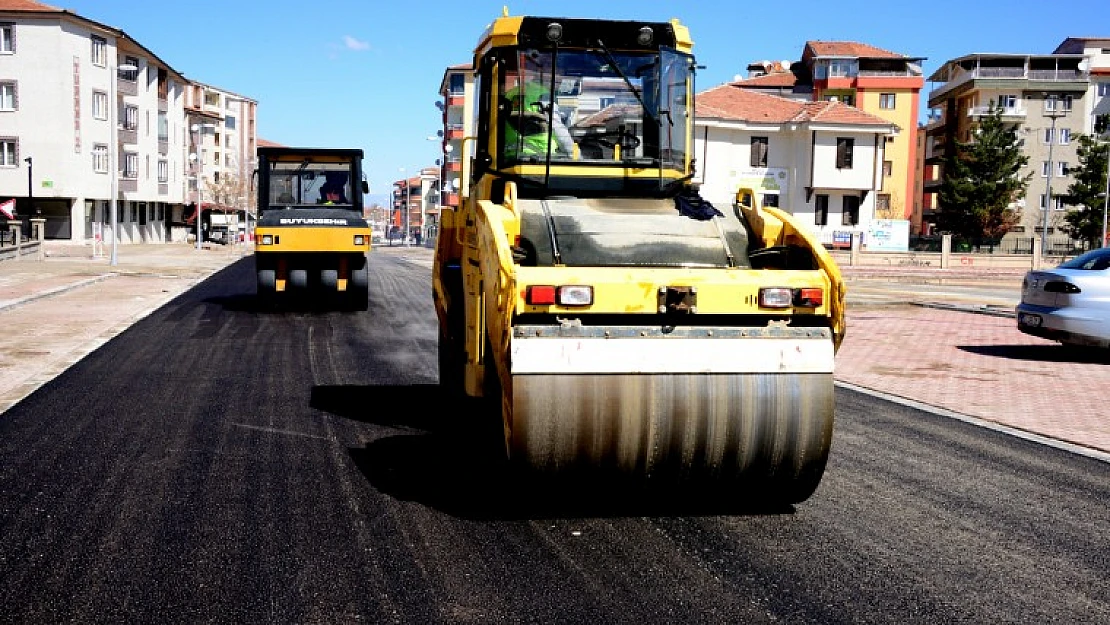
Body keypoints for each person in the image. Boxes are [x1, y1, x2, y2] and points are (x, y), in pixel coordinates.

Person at [503, 78, 576, 160]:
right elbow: (556, 127)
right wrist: (575, 155)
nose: (559, 85)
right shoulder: (544, 95)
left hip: (511, 155)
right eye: (558, 81)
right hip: (540, 155)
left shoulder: (510, 93)